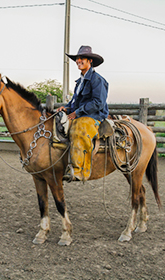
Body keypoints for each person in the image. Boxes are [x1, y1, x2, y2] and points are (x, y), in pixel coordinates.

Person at [57, 45, 109, 182]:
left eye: (82, 58)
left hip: (94, 116)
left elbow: (99, 103)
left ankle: (80, 171)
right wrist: (67, 108)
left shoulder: (97, 80)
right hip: (81, 114)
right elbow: (75, 102)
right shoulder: (80, 81)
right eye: (77, 59)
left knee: (79, 129)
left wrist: (77, 112)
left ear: (90, 61)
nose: (79, 61)